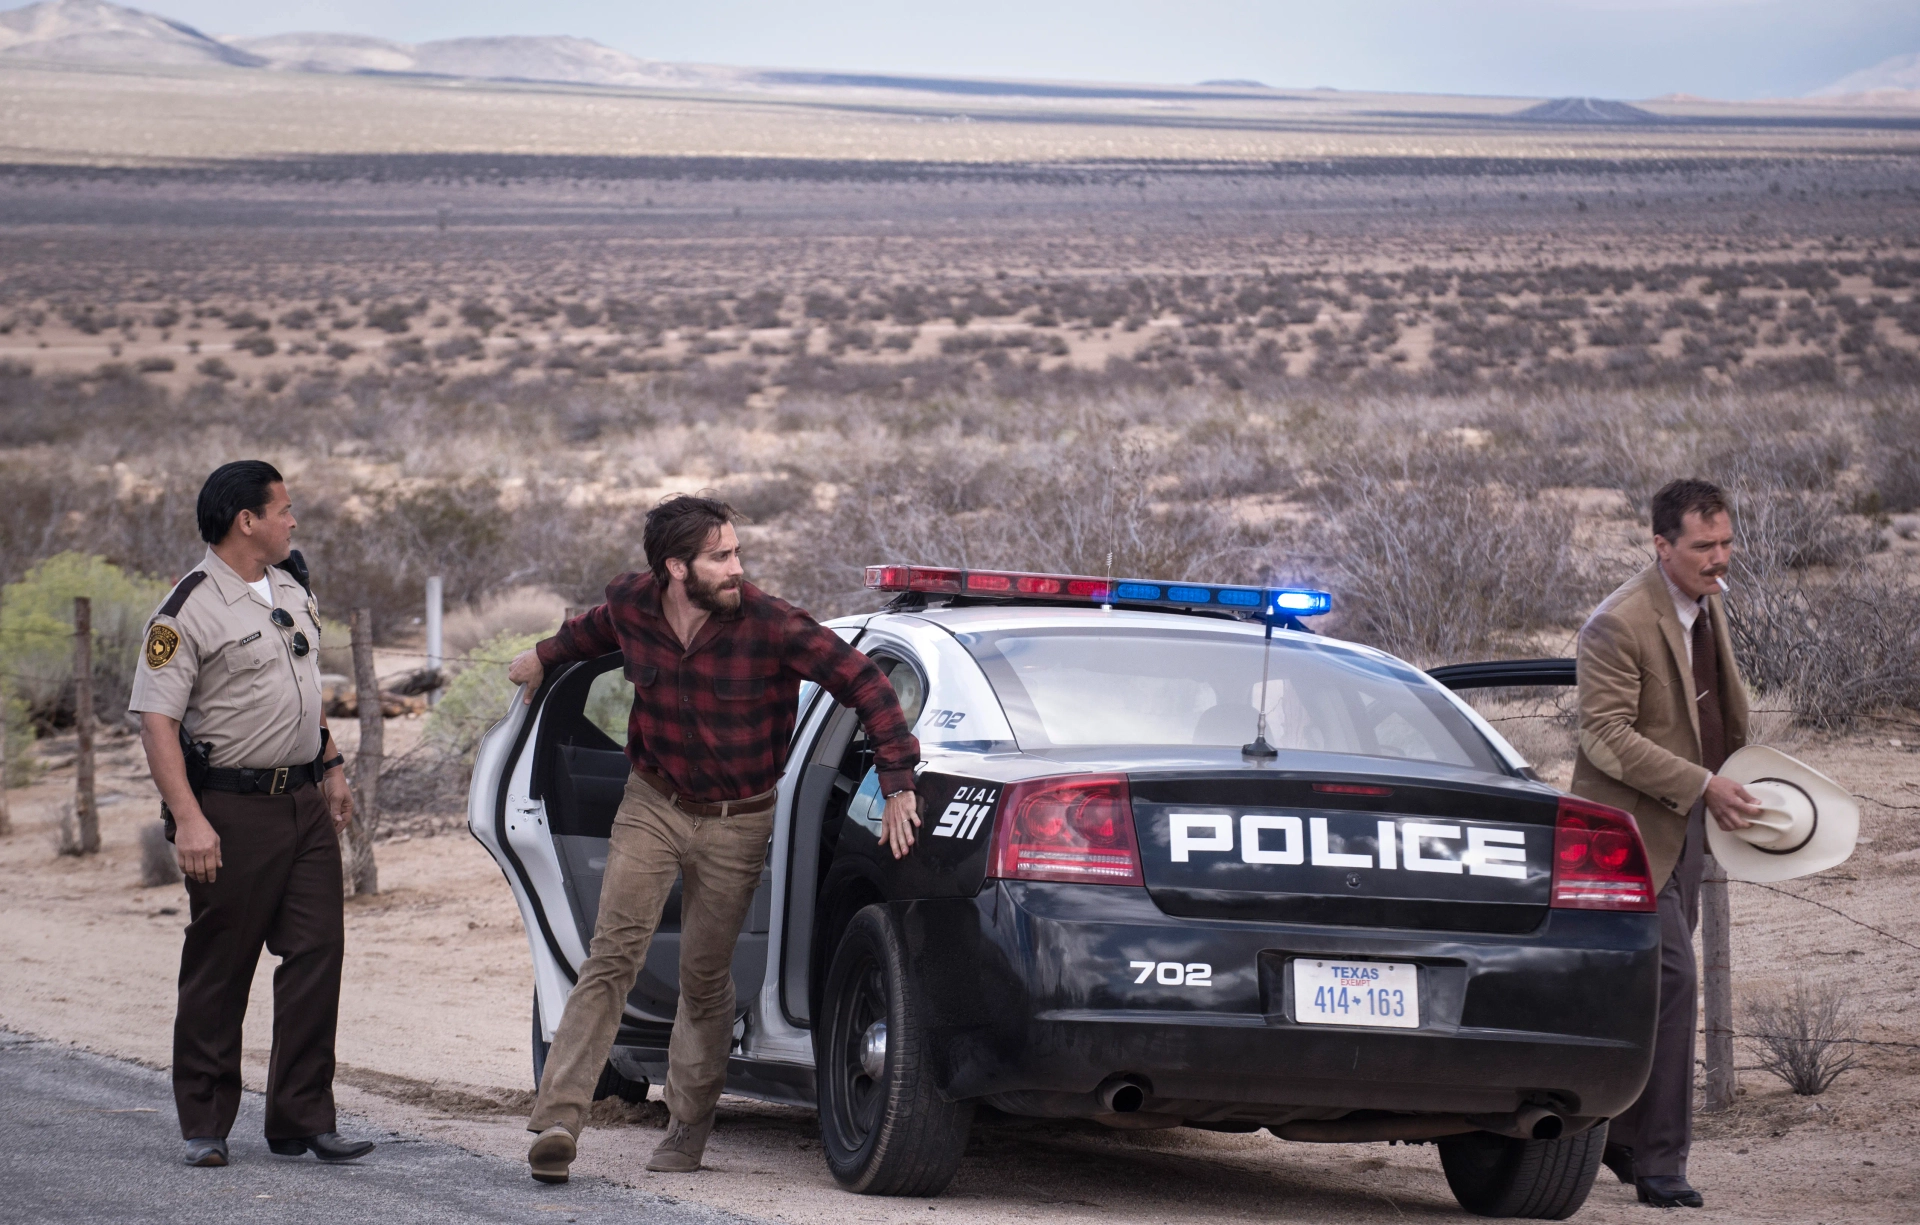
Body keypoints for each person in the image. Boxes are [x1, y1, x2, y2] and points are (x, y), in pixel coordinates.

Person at [507, 494, 921, 1184]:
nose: (738, 566)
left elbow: (867, 685)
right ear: (675, 567)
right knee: (611, 955)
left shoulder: (772, 623)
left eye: (736, 551)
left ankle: (688, 1127)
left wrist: (899, 778)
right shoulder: (634, 605)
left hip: (740, 818)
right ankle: (559, 1118)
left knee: (704, 977)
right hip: (652, 801)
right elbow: (592, 631)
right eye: (721, 556)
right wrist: (542, 655)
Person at [129, 461, 372, 1169]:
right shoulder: (187, 608)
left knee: (318, 951)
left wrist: (328, 765)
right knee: (220, 963)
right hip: (230, 811)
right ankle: (204, 1122)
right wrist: (189, 817)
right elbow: (157, 722)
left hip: (302, 802)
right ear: (247, 521)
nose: (293, 521)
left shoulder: (291, 585)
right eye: (284, 509)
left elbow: (303, 683)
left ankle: (301, 1118)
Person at [1571, 477, 1762, 1210]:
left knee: (1650, 990)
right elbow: (1605, 738)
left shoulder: (1708, 605)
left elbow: (1717, 712)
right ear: (1662, 545)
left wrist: (1737, 781)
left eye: (1725, 541)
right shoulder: (1617, 623)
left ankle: (1618, 1136)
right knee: (1674, 981)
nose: (1721, 558)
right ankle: (1659, 1164)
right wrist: (1702, 783)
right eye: (1704, 546)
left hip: (1685, 827)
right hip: (1622, 838)